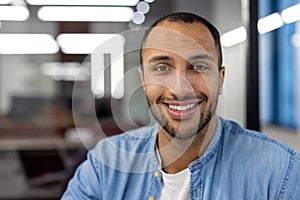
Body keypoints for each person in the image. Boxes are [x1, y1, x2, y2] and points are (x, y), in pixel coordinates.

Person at [62, 12, 300, 199]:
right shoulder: (106, 163)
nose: (180, 88)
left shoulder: (280, 171)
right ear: (144, 80)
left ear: (221, 79)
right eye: (162, 68)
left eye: (199, 67)